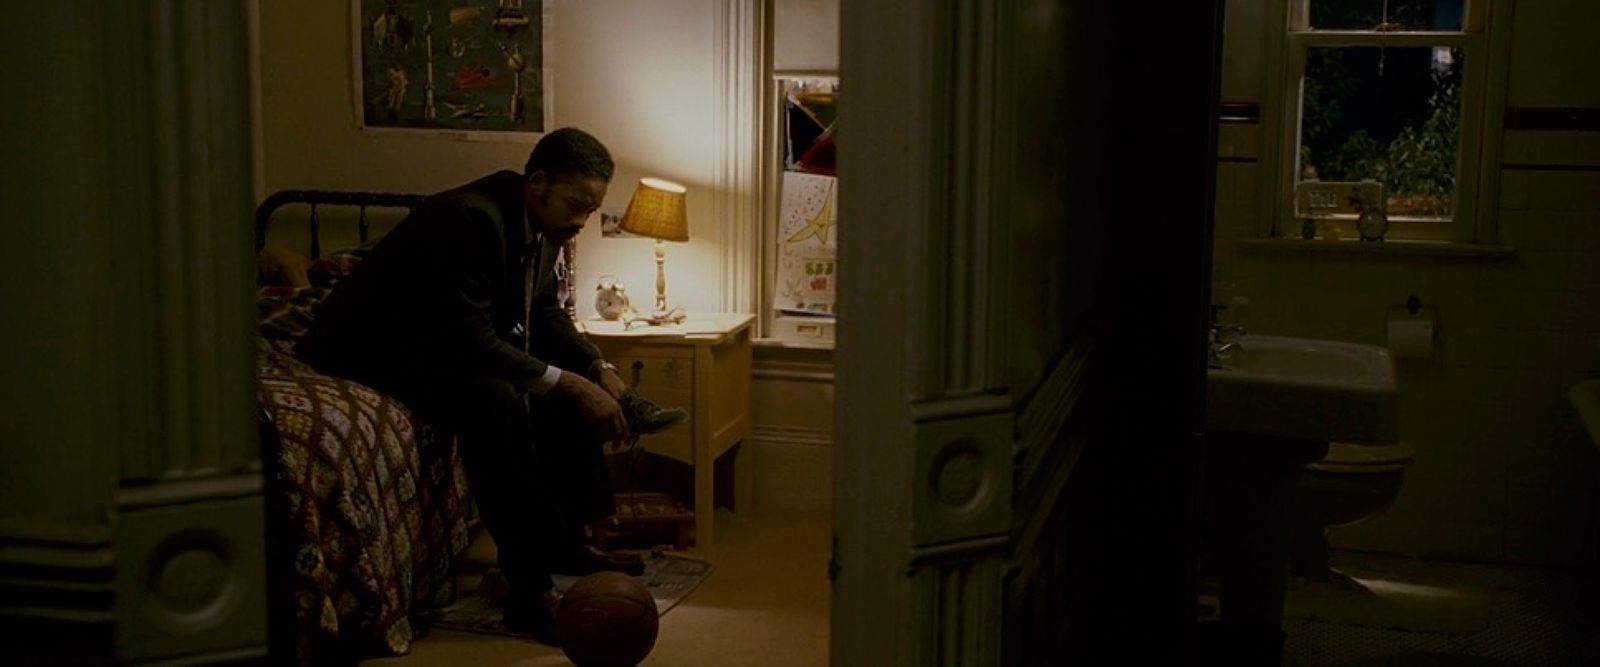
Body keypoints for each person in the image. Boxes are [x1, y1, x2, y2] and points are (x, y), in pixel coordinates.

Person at [296, 127, 684, 644]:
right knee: (496, 398)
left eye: (592, 210)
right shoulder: (469, 218)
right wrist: (566, 383)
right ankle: (528, 591)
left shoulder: (546, 230)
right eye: (577, 205)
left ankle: (568, 540)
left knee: (557, 385)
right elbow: (467, 340)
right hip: (369, 350)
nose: (582, 221)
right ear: (538, 183)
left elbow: (545, 313)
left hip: (439, 343)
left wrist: (596, 368)